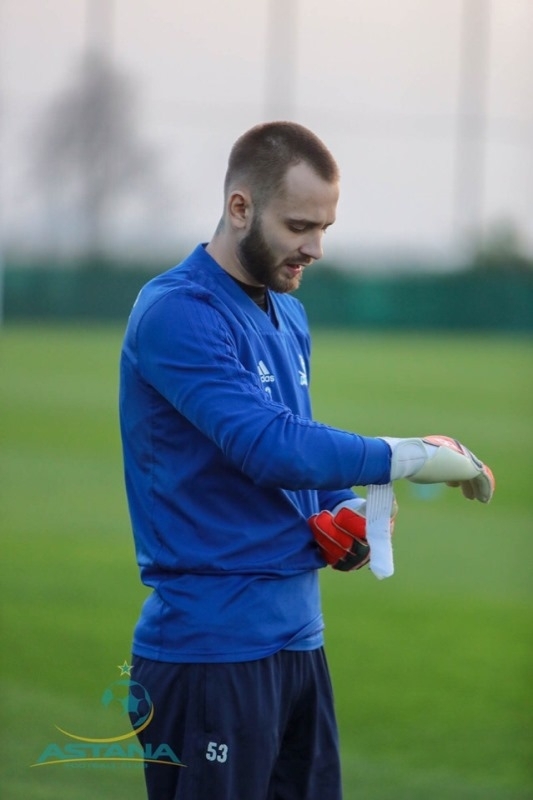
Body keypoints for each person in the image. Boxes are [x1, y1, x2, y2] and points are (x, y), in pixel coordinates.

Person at [119, 121, 494, 800]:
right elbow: (268, 446)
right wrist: (405, 456)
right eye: (298, 226)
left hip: (298, 643)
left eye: (324, 227)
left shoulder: (289, 315)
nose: (315, 248)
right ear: (240, 207)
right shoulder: (177, 312)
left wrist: (339, 510)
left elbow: (299, 451)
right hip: (211, 652)